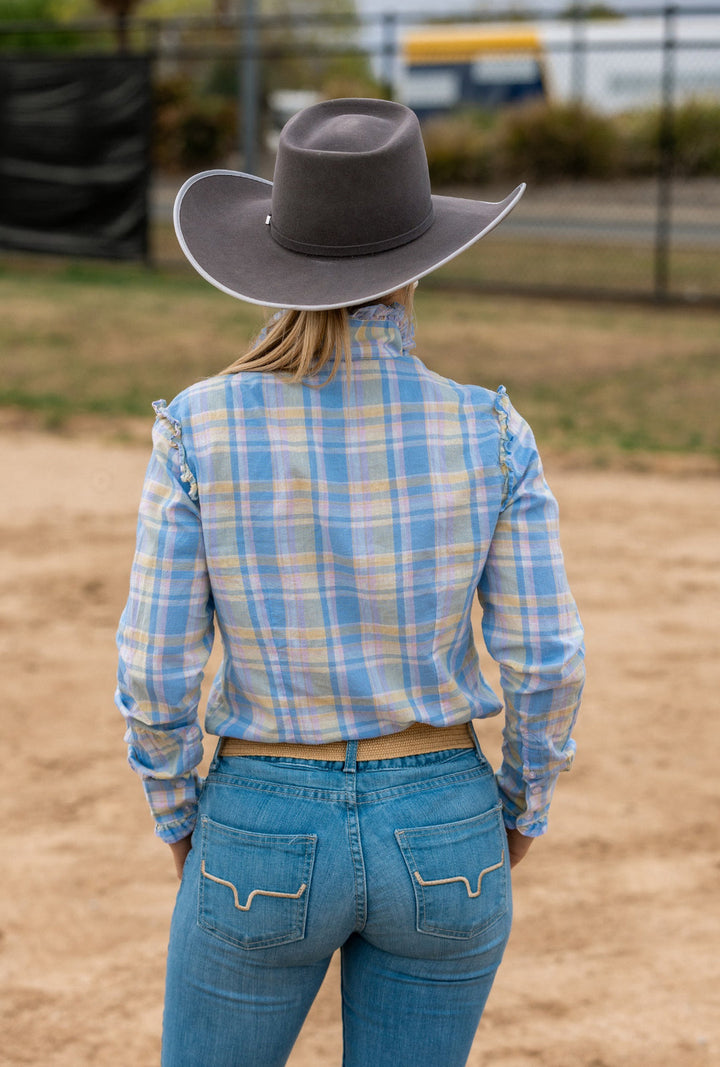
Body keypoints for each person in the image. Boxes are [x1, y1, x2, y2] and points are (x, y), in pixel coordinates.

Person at [116, 98, 584, 1067]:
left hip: (259, 815)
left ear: (273, 259)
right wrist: (522, 808)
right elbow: (546, 657)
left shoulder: (199, 428)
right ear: (418, 261)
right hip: (447, 816)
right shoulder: (491, 429)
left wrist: (178, 817)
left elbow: (157, 664)